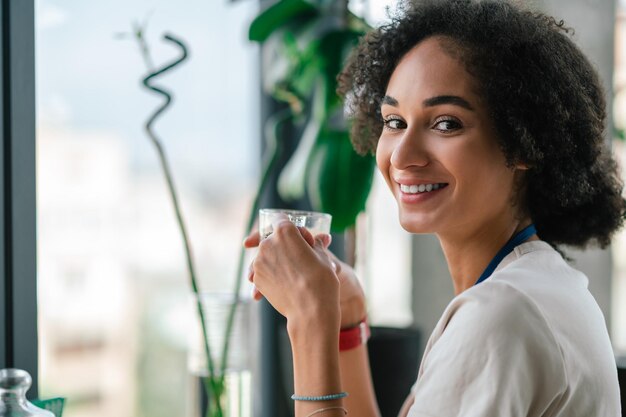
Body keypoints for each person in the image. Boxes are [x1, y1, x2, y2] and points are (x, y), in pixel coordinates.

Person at [244, 0, 626, 416]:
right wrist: (344, 324)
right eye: (394, 122)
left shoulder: (500, 315)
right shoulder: (536, 285)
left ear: (523, 143)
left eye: (446, 123)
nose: (402, 155)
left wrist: (309, 318)